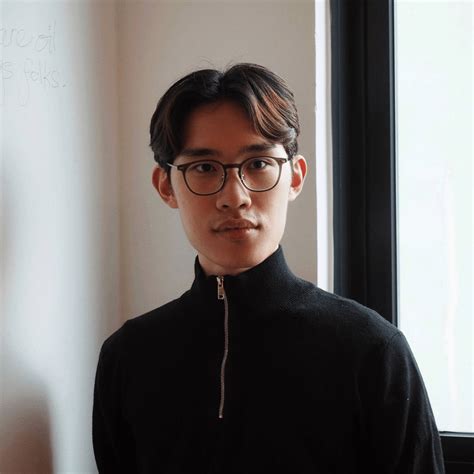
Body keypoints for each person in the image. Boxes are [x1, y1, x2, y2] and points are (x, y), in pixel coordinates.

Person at [92, 63, 445, 473]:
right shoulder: (129, 358)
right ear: (166, 186)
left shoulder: (372, 351)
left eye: (258, 163)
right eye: (204, 168)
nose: (235, 196)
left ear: (294, 178)